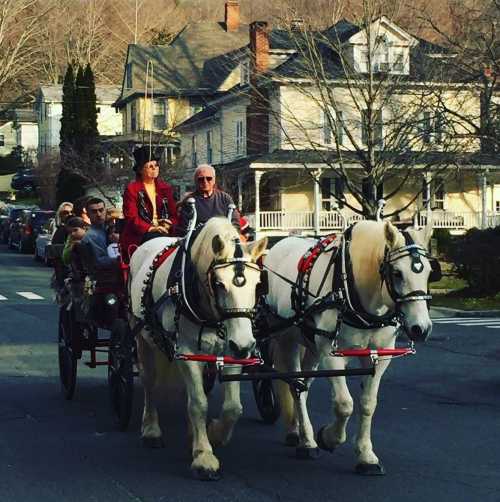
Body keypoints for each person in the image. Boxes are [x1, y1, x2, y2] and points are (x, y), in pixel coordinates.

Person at [120, 146, 178, 260]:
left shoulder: (165, 188)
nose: (154, 168)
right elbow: (131, 218)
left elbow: (174, 215)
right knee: (158, 239)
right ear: (141, 170)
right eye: (150, 166)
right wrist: (152, 228)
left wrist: (169, 223)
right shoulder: (132, 189)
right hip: (140, 235)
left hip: (165, 231)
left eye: (156, 165)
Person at [175, 164, 240, 236]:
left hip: (223, 239)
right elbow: (184, 228)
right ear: (195, 181)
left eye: (209, 178)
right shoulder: (189, 201)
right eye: (201, 179)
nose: (205, 181)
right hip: (198, 241)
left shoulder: (225, 198)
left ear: (214, 180)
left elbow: (235, 223)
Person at [81, 197, 119, 270]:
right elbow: (100, 262)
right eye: (94, 211)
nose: (98, 214)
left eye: (101, 210)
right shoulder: (91, 236)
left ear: (105, 211)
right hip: (107, 275)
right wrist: (123, 259)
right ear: (88, 214)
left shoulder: (110, 228)